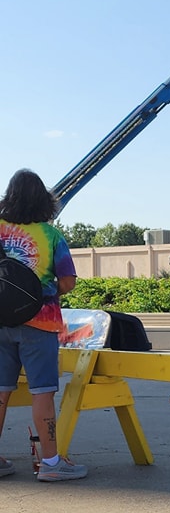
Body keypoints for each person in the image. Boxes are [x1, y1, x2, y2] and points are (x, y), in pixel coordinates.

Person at [0, 170, 88, 481]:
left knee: (0, 391)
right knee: (42, 392)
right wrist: (45, 289)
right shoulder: (51, 236)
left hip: (0, 322)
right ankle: (50, 463)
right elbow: (67, 281)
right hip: (40, 322)